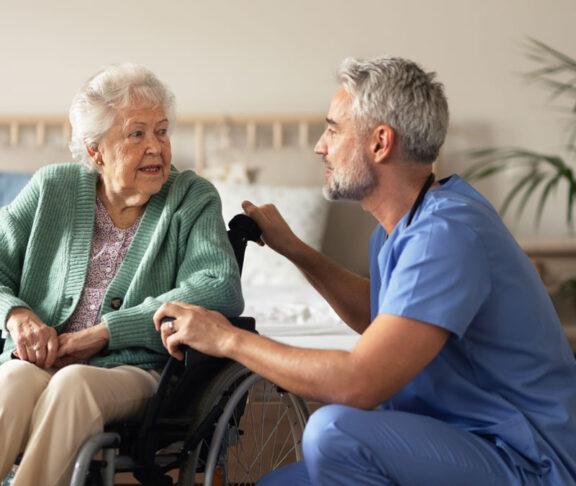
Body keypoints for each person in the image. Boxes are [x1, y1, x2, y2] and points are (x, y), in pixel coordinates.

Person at [154, 57, 576, 486]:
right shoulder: (402, 226)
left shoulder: (446, 234)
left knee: (333, 432)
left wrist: (227, 338)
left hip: (528, 460)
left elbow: (360, 383)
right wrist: (296, 250)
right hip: (460, 443)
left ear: (380, 143)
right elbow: (380, 317)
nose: (320, 145)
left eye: (333, 129)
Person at [0, 63, 243, 486]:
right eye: (137, 134)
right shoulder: (51, 188)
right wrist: (16, 314)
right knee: (14, 378)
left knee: (73, 383)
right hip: (42, 360)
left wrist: (106, 332)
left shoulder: (191, 197)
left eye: (162, 131)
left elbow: (218, 287)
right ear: (96, 151)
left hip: (139, 371)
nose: (156, 148)